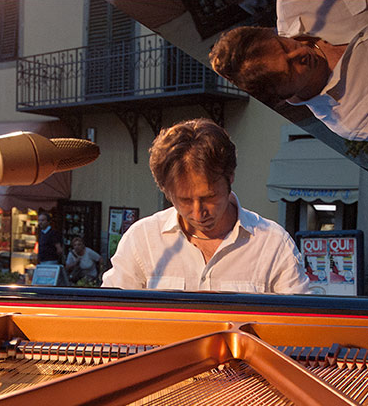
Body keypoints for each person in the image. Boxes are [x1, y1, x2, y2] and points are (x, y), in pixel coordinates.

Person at [102, 118, 310, 294]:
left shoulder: (272, 244)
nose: (198, 212)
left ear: (230, 178)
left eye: (210, 197)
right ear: (166, 191)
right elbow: (111, 321)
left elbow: (301, 327)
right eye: (184, 200)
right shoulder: (142, 240)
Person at [209, 0, 368, 143]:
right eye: (291, 70)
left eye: (283, 45)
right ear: (282, 100)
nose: (300, 53)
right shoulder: (354, 118)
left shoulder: (295, 3)